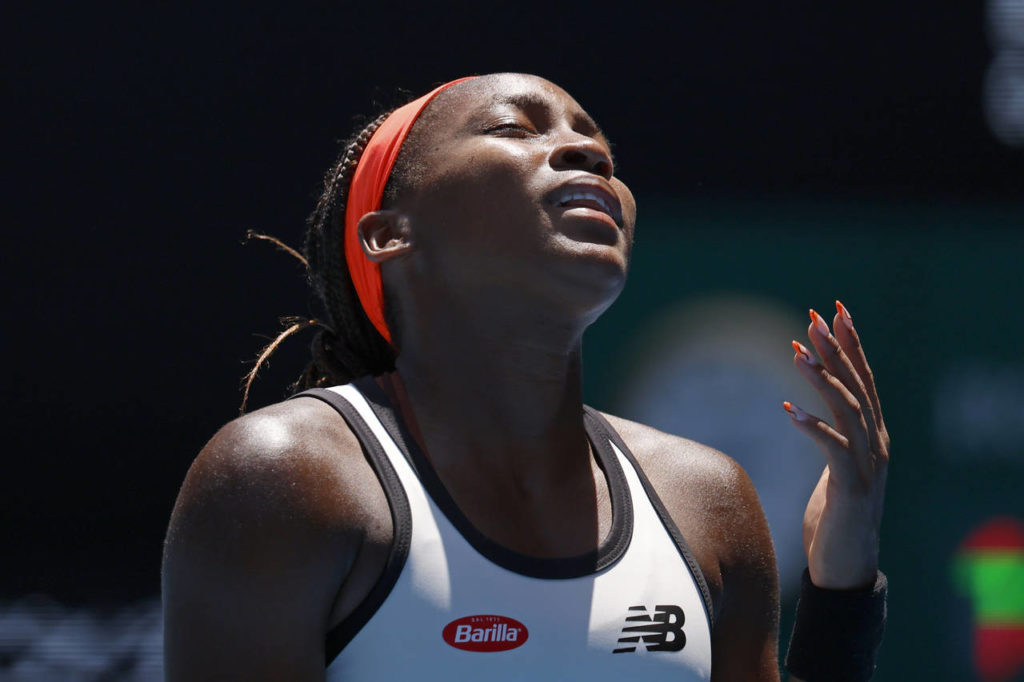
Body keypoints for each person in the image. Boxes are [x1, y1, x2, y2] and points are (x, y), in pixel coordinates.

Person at [162, 73, 890, 681]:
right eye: (514, 128)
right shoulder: (282, 478)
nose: (590, 152)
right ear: (390, 233)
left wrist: (844, 585)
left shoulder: (708, 498)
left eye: (600, 147)